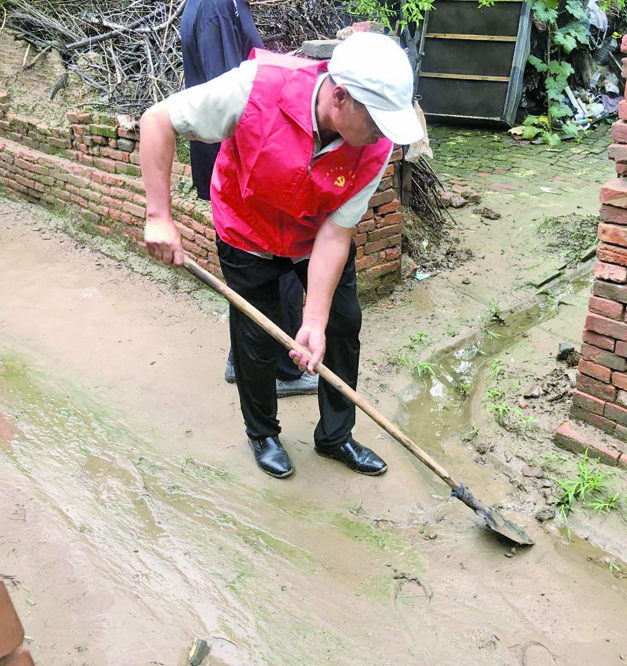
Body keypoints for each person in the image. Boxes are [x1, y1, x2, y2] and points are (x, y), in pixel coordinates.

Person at [139, 33, 423, 478]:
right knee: (255, 335)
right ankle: (263, 434)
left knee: (342, 324)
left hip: (313, 233)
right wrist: (159, 216)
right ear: (340, 97)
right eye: (376, 120)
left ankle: (335, 436)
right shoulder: (256, 87)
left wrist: (314, 320)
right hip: (247, 226)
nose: (383, 134)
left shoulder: (376, 147)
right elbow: (158, 121)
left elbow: (337, 233)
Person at [179, 0, 317, 396]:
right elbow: (235, 91)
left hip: (239, 161)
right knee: (279, 263)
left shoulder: (220, 4)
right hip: (242, 164)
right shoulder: (217, 8)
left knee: (253, 271)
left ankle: (240, 359)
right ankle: (282, 369)